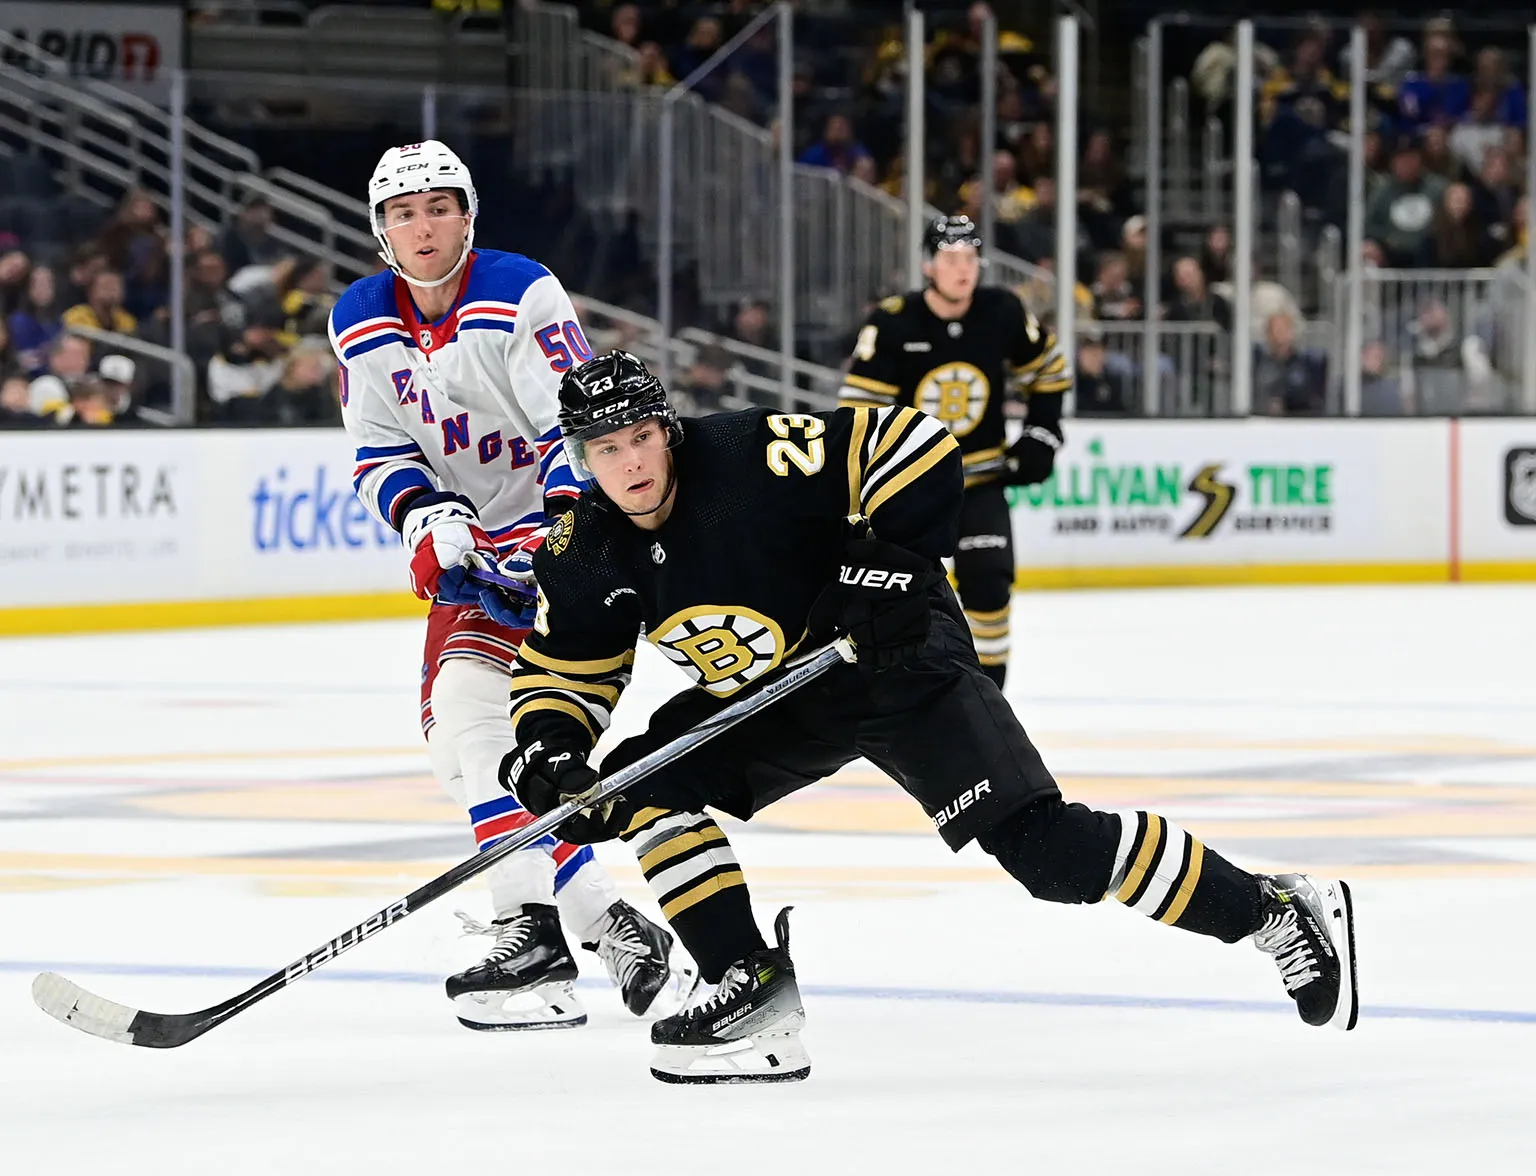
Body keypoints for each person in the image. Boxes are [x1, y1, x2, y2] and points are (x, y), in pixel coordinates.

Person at [497, 351, 1359, 1085]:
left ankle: (1274, 910)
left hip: (893, 652)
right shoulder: (584, 550)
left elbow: (909, 440)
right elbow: (567, 666)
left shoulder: (749, 455)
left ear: (668, 429)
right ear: (584, 457)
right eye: (608, 449)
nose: (632, 464)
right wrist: (548, 747)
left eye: (642, 438)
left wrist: (890, 566)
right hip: (788, 690)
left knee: (1048, 854)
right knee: (635, 787)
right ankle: (746, 981)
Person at [327, 140, 686, 1032]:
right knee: (461, 753)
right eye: (403, 213)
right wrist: (427, 518)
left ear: (469, 215)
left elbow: (582, 430)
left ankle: (527, 932)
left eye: (440, 207)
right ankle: (602, 923)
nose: (423, 225)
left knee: (472, 711)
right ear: (381, 231)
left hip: (571, 545)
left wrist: (548, 541)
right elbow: (379, 449)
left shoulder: (520, 291)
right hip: (473, 547)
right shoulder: (358, 319)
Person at [837, 215, 1068, 690]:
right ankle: (913, 694)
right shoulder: (894, 321)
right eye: (950, 259)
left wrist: (1042, 432)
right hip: (911, 487)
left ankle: (989, 696)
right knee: (903, 595)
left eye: (970, 259)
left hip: (980, 481)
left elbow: (1049, 369)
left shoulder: (1002, 310)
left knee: (988, 583)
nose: (963, 269)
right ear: (928, 265)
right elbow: (858, 412)